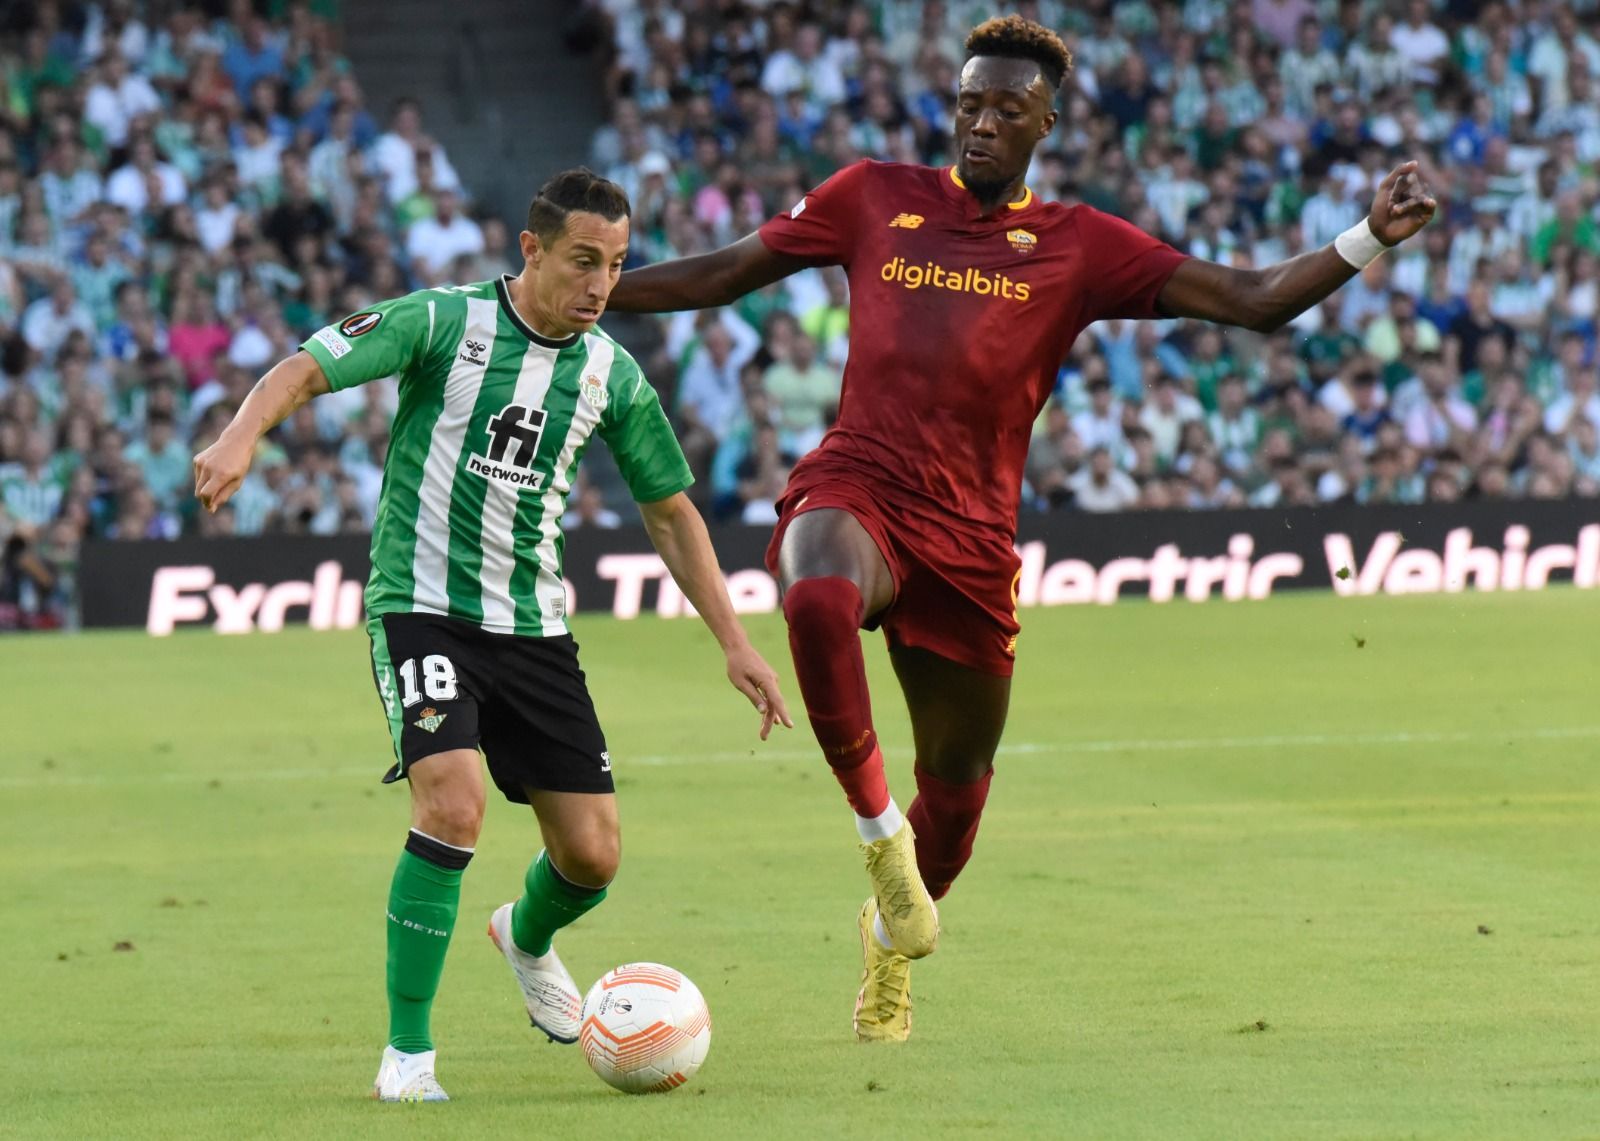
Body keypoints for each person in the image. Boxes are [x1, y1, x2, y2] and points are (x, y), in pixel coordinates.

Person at [606, 15, 1436, 1044]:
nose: (983, 124)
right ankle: (877, 841)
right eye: (968, 104)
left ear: (1048, 119)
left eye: (1007, 108)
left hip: (969, 543)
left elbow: (1253, 301)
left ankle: (888, 933)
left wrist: (1365, 238)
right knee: (815, 588)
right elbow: (720, 273)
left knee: (952, 801)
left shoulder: (1081, 245)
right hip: (859, 485)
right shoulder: (873, 197)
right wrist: (585, 291)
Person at [191, 168, 792, 1100]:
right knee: (453, 804)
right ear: (533, 249)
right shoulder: (444, 322)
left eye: (619, 265)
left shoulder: (611, 374)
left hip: (533, 628)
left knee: (593, 856)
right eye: (584, 261)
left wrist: (735, 640)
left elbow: (672, 514)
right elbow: (304, 367)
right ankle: (408, 1055)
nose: (602, 284)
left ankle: (525, 933)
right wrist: (242, 434)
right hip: (421, 607)